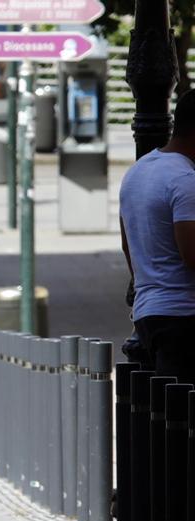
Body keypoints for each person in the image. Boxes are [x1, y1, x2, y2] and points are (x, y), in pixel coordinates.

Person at [119, 89, 195, 385]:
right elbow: (192, 255)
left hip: (149, 313)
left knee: (170, 418)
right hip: (184, 317)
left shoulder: (137, 172)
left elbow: (128, 245)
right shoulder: (185, 180)